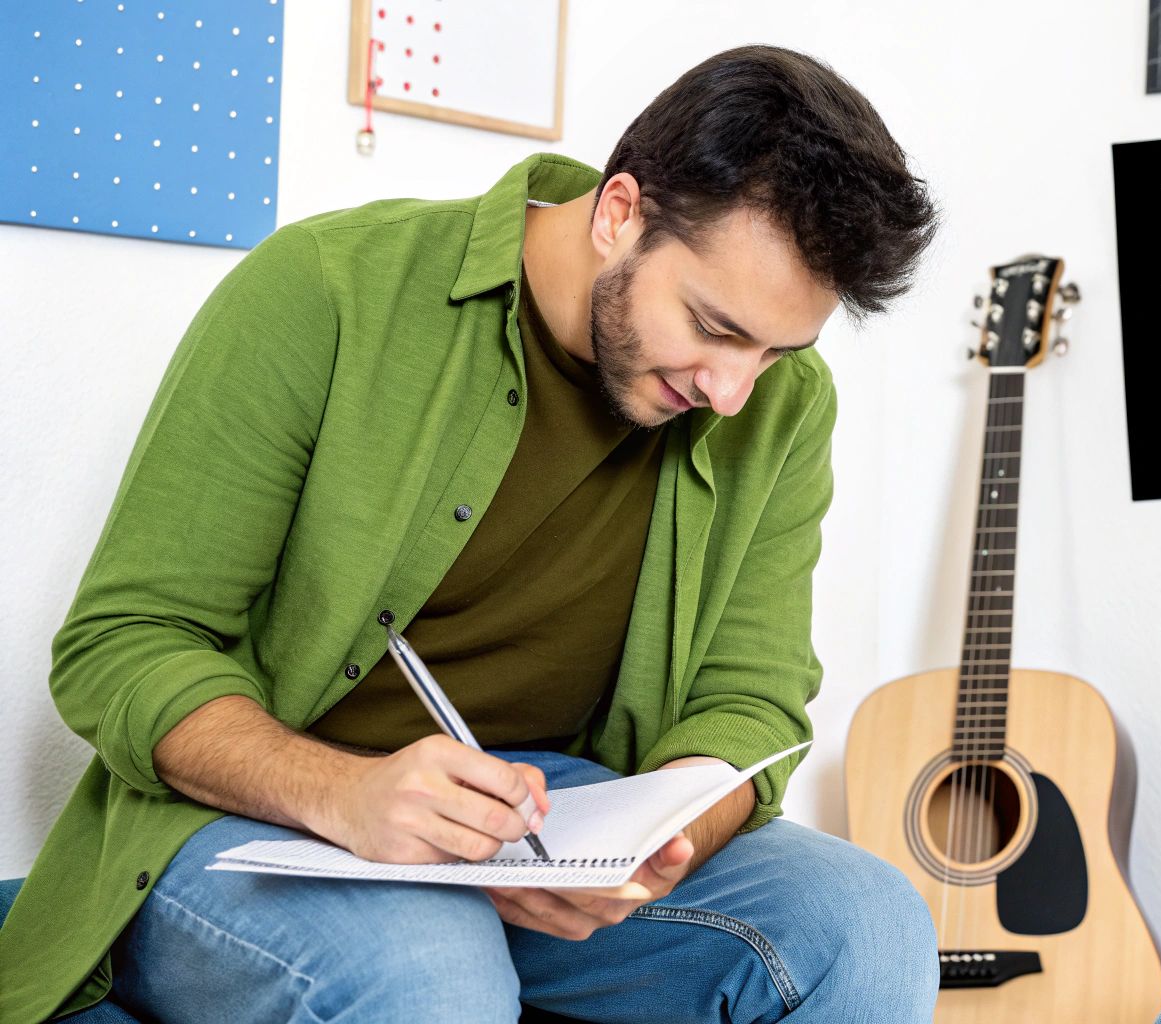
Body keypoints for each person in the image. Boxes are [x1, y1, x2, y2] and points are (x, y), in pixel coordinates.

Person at [0, 44, 940, 1023]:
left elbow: (750, 698)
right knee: (430, 977)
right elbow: (122, 644)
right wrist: (342, 794)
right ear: (619, 213)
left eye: (776, 349)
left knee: (868, 923)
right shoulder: (326, 289)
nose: (731, 390)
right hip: (262, 821)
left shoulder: (780, 405)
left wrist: (659, 844)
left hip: (545, 823)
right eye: (711, 326)